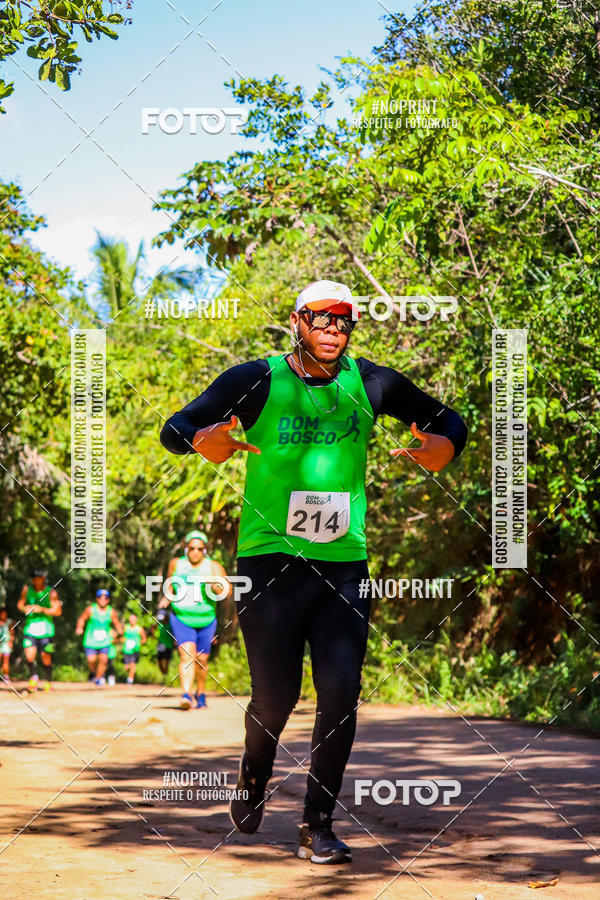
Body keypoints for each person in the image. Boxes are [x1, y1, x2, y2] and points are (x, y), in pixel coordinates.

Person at [160, 279, 468, 865]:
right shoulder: (255, 379)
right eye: (322, 318)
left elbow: (450, 421)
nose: (334, 329)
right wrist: (204, 441)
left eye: (345, 320)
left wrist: (443, 449)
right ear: (297, 321)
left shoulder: (372, 382)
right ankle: (253, 776)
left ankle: (317, 824)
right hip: (269, 565)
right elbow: (173, 429)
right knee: (276, 697)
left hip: (344, 566)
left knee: (342, 692)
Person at [158, 530, 229, 710]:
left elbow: (226, 592)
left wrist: (213, 583)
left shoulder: (213, 567)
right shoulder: (176, 564)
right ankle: (186, 695)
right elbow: (170, 582)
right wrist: (168, 595)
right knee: (187, 655)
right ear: (186, 548)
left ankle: (201, 693)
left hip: (206, 619)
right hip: (182, 617)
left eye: (199, 548)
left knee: (202, 660)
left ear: (205, 550)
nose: (195, 551)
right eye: (192, 548)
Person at [17, 570, 62, 691]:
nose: (36, 580)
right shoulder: (27, 590)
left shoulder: (51, 592)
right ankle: (33, 677)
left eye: (38, 578)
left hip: (46, 629)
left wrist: (41, 610)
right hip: (30, 628)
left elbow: (57, 611)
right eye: (34, 578)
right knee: (29, 655)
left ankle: (48, 680)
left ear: (43, 579)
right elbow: (20, 604)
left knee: (45, 656)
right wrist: (25, 608)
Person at [76, 589, 123, 686]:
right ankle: (93, 672)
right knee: (91, 660)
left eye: (105, 598)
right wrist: (79, 627)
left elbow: (116, 623)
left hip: (105, 641)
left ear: (108, 600)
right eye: (100, 597)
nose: (103, 600)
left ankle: (98, 678)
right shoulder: (91, 609)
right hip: (90, 640)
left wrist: (120, 631)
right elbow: (82, 619)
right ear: (96, 599)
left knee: (104, 660)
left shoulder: (111, 612)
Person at [122, 613, 146, 684]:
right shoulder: (126, 627)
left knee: (133, 664)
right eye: (130, 620)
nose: (132, 621)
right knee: (126, 667)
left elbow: (144, 638)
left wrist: (139, 644)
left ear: (136, 620)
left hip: (135, 649)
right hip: (126, 649)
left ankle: (130, 679)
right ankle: (131, 674)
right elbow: (123, 636)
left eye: (133, 620)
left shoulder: (139, 628)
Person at [153, 607, 174, 680]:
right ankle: (164, 674)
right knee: (159, 661)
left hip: (169, 645)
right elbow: (153, 629)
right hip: (160, 645)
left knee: (166, 661)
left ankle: (165, 675)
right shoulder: (159, 624)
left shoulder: (171, 624)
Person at [0, 607, 14, 683]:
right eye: (2, 614)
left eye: (5, 614)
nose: (3, 615)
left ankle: (6, 676)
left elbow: (12, 632)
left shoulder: (9, 622)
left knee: (6, 661)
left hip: (6, 644)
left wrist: (11, 642)